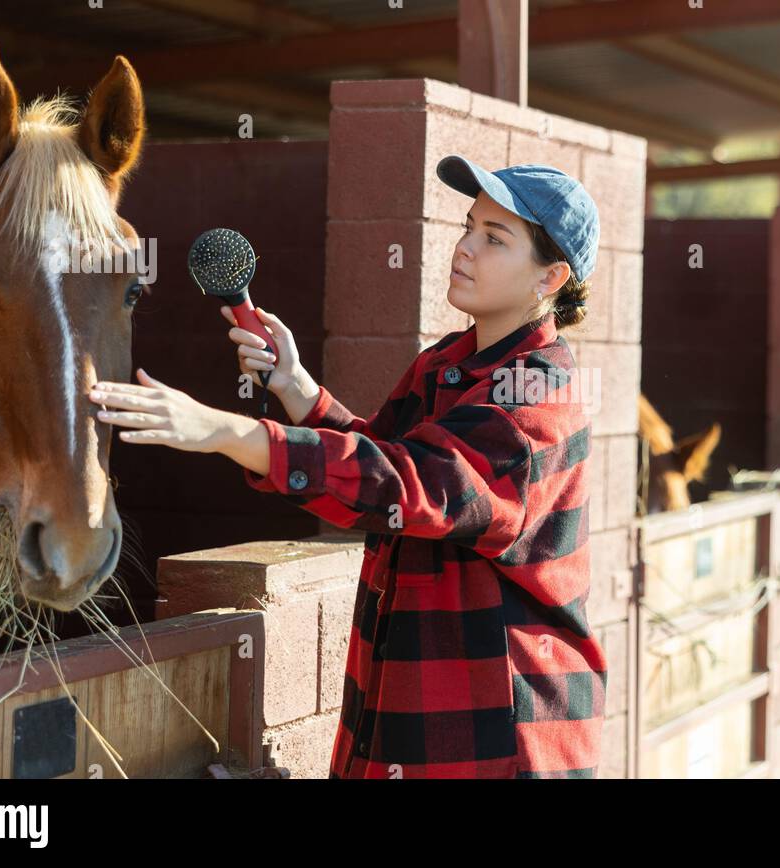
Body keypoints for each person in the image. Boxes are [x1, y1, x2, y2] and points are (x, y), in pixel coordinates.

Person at [88, 155, 607, 777]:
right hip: (403, 716)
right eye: (469, 226)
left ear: (551, 277)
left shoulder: (539, 393)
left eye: (494, 239)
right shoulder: (446, 362)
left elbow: (411, 486)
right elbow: (383, 457)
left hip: (501, 738)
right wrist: (297, 388)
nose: (464, 248)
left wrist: (224, 432)